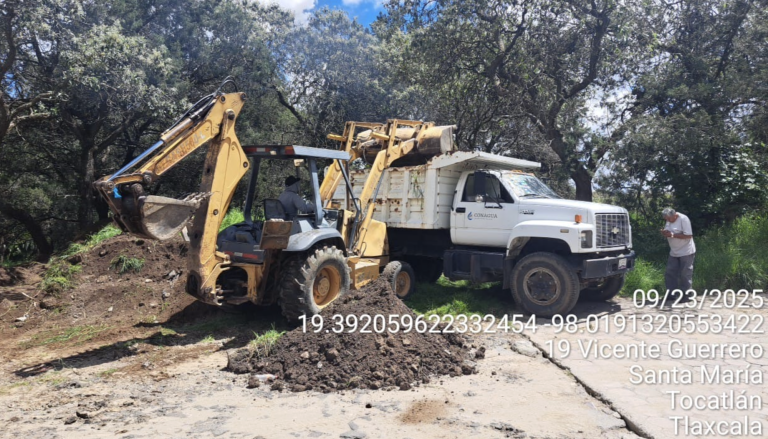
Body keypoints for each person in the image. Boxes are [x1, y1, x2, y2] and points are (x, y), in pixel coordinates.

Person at [660, 207, 696, 292]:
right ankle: (671, 294)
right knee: (670, 273)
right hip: (674, 251)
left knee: (685, 274)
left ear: (675, 215)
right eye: (666, 219)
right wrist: (665, 233)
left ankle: (687, 295)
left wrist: (672, 235)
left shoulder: (683, 219)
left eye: (669, 218)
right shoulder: (669, 220)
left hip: (686, 251)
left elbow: (689, 236)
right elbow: (669, 231)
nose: (668, 220)